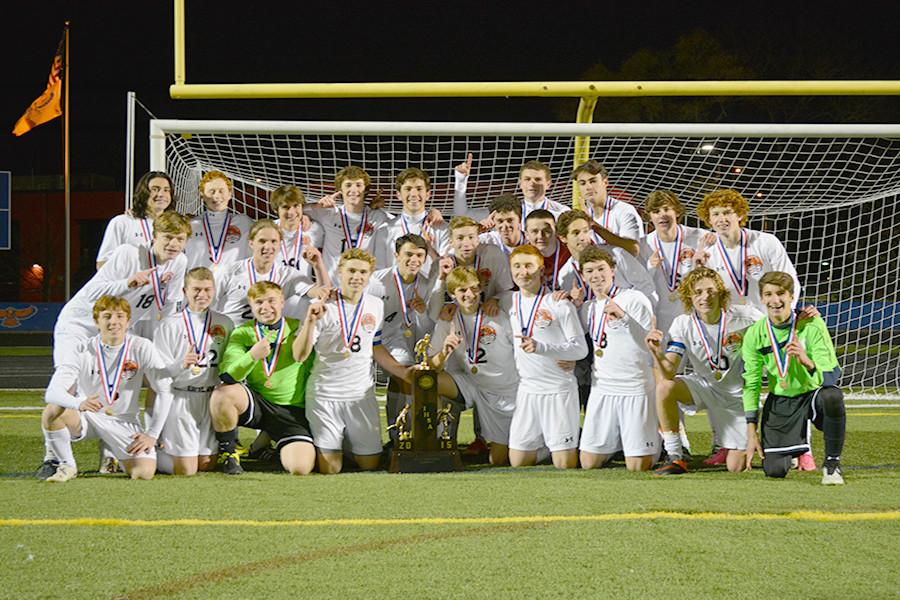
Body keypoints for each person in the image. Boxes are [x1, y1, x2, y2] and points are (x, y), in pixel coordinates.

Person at [696, 188, 813, 470]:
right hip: (734, 332)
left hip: (772, 326)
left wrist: (783, 318)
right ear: (709, 220)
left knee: (788, 384)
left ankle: (802, 449)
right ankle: (726, 443)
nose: (722, 219)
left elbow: (790, 281)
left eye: (727, 212)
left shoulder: (766, 242)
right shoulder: (709, 254)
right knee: (726, 387)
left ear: (739, 214)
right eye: (715, 214)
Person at [294, 249, 410, 474]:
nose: (357, 276)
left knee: (371, 464)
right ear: (339, 272)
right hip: (325, 395)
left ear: (370, 275)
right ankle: (337, 443)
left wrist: (403, 371)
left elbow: (375, 346)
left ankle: (347, 442)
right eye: (352, 271)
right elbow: (300, 355)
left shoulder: (376, 304)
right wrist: (309, 321)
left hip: (360, 395)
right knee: (331, 469)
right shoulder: (322, 306)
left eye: (363, 272)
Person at [36, 296, 174, 482]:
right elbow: (52, 392)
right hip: (88, 417)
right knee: (53, 410)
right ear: (96, 322)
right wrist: (79, 403)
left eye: (119, 316)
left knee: (143, 474)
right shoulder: (81, 349)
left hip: (124, 420)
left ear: (128, 321)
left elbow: (165, 390)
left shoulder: (142, 347)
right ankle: (67, 465)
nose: (113, 322)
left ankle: (114, 452)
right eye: (107, 316)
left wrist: (152, 435)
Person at [645, 268, 762, 475]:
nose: (705, 297)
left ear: (720, 292)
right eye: (698, 292)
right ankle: (675, 456)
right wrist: (656, 352)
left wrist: (801, 318)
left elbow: (778, 326)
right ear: (690, 296)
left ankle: (749, 444)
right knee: (665, 387)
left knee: (736, 467)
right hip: (705, 387)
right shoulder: (682, 324)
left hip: (737, 397)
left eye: (710, 290)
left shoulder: (747, 316)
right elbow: (669, 372)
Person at [742, 272, 846, 484]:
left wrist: (806, 360)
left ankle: (832, 465)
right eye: (768, 294)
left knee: (832, 397)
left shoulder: (812, 324)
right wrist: (751, 431)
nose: (775, 300)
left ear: (791, 296)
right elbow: (751, 383)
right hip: (781, 399)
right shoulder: (754, 334)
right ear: (761, 298)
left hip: (811, 395)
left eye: (781, 293)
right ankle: (794, 449)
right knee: (775, 470)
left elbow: (832, 376)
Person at [53, 211, 191, 367]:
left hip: (114, 330)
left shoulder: (179, 261)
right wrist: (127, 284)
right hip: (82, 323)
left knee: (111, 385)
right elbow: (92, 293)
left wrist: (172, 338)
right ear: (155, 236)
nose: (174, 244)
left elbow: (170, 306)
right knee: (69, 376)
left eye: (180, 239)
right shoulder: (128, 254)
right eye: (168, 237)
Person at [209, 281, 317, 475]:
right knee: (223, 393)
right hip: (258, 404)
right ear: (251, 306)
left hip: (292, 411)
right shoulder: (243, 332)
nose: (265, 307)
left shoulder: (297, 327)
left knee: (300, 468)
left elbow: (305, 358)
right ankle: (228, 453)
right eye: (259, 302)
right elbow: (227, 375)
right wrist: (252, 356)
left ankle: (265, 445)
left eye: (271, 301)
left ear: (283, 302)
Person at [577, 247, 659, 471]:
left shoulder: (633, 298)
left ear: (613, 270)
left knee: (637, 466)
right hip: (602, 388)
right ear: (583, 275)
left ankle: (655, 442)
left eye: (602, 269)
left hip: (635, 386)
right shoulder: (588, 309)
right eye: (590, 271)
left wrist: (624, 319)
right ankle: (620, 441)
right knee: (588, 462)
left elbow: (649, 343)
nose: (596, 275)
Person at [506, 245, 587, 469]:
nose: (523, 272)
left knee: (564, 465)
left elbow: (580, 349)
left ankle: (577, 443)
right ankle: (553, 443)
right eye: (517, 266)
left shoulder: (559, 303)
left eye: (529, 266)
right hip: (528, 390)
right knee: (518, 462)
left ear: (541, 270)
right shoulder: (507, 302)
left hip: (558, 389)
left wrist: (542, 347)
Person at [428, 267, 519, 465]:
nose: (470, 295)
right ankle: (439, 445)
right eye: (462, 291)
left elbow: (521, 350)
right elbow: (430, 365)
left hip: (503, 390)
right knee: (425, 382)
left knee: (499, 460)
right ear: (452, 294)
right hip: (471, 383)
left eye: (474, 289)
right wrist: (444, 352)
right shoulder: (447, 319)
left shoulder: (497, 315)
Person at [153, 267, 233, 475]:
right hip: (180, 397)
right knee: (186, 470)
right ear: (184, 290)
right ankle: (152, 452)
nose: (202, 295)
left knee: (207, 464)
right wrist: (180, 364)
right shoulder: (169, 325)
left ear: (214, 290)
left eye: (207, 290)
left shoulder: (225, 323)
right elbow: (157, 373)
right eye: (196, 289)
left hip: (210, 398)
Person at [369, 234, 435, 443]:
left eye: (419, 255)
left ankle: (406, 436)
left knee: (411, 376)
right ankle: (387, 437)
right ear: (396, 255)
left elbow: (427, 329)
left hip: (406, 343)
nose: (414, 260)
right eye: (408, 254)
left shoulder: (427, 285)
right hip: (374, 341)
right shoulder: (377, 281)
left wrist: (423, 312)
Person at [214, 219, 329, 327]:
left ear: (280, 244)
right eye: (262, 241)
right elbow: (207, 306)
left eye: (274, 241)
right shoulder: (229, 271)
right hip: (232, 340)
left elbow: (321, 292)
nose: (268, 247)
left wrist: (317, 265)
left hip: (268, 339)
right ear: (251, 243)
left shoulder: (286, 274)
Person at [305, 165, 392, 278]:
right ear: (340, 190)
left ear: (365, 189)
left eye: (358, 185)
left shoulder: (377, 216)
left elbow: (402, 222)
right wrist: (317, 205)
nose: (354, 190)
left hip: (362, 285)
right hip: (332, 287)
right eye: (348, 185)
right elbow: (294, 210)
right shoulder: (328, 213)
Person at [556, 209, 656, 305]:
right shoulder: (565, 273)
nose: (583, 238)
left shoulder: (616, 254)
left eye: (586, 231)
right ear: (563, 238)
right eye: (576, 233)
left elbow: (646, 286)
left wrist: (622, 306)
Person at [430, 216, 513, 319]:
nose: (466, 243)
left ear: (478, 239)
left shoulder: (494, 254)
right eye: (460, 238)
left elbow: (508, 291)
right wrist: (441, 279)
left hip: (488, 317)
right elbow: (433, 313)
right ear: (451, 242)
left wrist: (496, 299)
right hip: (455, 318)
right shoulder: (440, 264)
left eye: (471, 237)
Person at [374, 167, 449, 273]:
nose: (413, 194)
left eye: (419, 189)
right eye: (408, 189)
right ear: (398, 195)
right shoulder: (385, 230)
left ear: (428, 194)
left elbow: (447, 268)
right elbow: (380, 270)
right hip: (396, 289)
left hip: (431, 289)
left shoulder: (442, 228)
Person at [96, 171, 176, 268]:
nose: (161, 194)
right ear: (143, 193)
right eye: (155, 189)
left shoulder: (177, 225)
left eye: (166, 190)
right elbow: (102, 263)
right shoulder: (122, 222)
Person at [453, 157, 569, 224]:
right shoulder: (506, 210)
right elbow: (462, 215)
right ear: (520, 183)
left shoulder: (561, 213)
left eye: (538, 179)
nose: (532, 183)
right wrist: (461, 181)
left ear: (548, 184)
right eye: (527, 179)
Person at [572, 160, 644, 257]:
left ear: (605, 182)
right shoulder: (583, 215)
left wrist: (594, 225)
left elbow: (634, 250)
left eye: (593, 181)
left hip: (627, 271)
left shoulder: (624, 211)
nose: (588, 187)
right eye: (583, 183)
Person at [184, 170, 253, 271]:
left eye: (221, 191)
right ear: (202, 194)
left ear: (230, 193)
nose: (216, 196)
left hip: (233, 285)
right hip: (198, 285)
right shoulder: (190, 225)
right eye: (211, 191)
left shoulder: (244, 222)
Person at [271, 184, 325, 279]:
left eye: (296, 206)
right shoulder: (267, 230)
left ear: (302, 207)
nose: (291, 212)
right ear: (276, 210)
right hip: (273, 290)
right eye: (285, 207)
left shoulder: (315, 229)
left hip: (304, 291)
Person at [523, 209, 569, 291]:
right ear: (526, 235)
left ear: (556, 231)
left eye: (546, 231)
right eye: (534, 231)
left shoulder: (569, 251)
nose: (540, 236)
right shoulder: (521, 257)